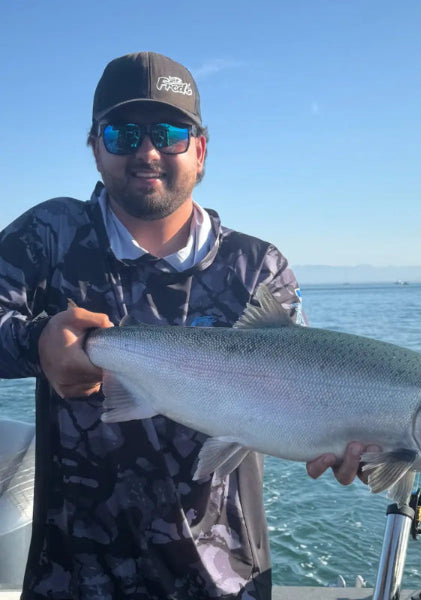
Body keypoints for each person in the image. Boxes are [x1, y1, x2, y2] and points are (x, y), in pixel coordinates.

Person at [0, 52, 377, 600]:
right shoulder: (50, 236)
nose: (147, 151)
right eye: (123, 132)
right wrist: (37, 343)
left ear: (200, 151)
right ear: (95, 147)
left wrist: (356, 438)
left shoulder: (257, 268)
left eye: (171, 132)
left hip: (223, 582)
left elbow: (304, 383)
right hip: (74, 578)